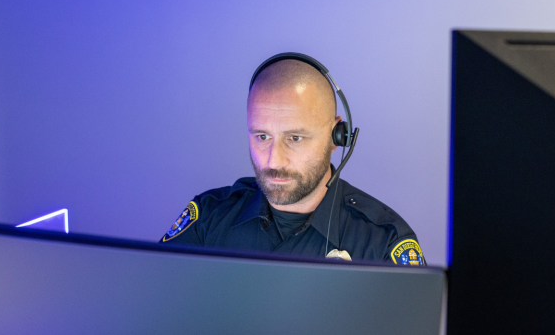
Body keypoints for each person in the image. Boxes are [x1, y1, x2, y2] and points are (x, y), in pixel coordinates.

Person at [159, 54, 425, 265]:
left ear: (336, 137)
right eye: (262, 137)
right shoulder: (208, 218)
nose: (275, 160)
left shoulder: (383, 242)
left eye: (295, 138)